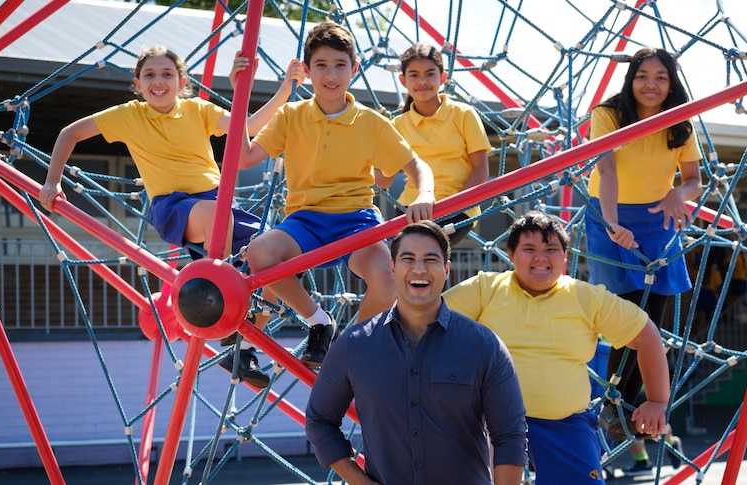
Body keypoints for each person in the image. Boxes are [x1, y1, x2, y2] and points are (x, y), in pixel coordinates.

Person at [39, 45, 304, 389]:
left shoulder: (198, 109)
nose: (158, 81)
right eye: (149, 75)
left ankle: (244, 348)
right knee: (215, 216)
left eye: (167, 74)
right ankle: (220, 283)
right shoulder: (129, 115)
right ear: (138, 83)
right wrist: (52, 180)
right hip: (174, 206)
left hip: (217, 202)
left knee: (274, 253)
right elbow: (68, 134)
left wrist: (282, 87)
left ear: (182, 82)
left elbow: (249, 125)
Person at [238, 22, 435, 369]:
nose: (331, 75)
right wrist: (242, 92)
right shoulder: (292, 115)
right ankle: (319, 322)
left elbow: (416, 166)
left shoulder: (370, 122)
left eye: (340, 65)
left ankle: (350, 349)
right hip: (305, 220)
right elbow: (243, 158)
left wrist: (426, 193)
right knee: (260, 252)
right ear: (307, 70)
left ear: (354, 69)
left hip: (355, 219)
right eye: (322, 65)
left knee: (388, 278)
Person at [443, 211, 670, 484]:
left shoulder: (586, 297)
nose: (540, 257)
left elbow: (646, 335)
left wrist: (657, 400)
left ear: (565, 257)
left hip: (563, 422)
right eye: (529, 249)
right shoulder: (485, 288)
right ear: (511, 254)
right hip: (491, 421)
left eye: (551, 249)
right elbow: (430, 319)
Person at [304, 220, 527, 484]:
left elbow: (509, 435)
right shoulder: (354, 346)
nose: (419, 269)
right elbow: (319, 420)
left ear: (446, 270)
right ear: (393, 268)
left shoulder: (484, 346)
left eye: (430, 260)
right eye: (408, 259)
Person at [583, 47, 702, 442]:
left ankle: (630, 407)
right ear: (630, 79)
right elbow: (606, 167)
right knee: (628, 313)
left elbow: (694, 180)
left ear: (672, 84)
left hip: (658, 218)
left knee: (656, 314)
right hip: (609, 214)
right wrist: (613, 223)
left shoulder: (679, 122)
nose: (651, 84)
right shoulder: (608, 115)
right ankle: (615, 404)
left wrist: (677, 194)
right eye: (642, 76)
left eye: (661, 77)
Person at [375, 43, 491, 247]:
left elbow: (480, 170)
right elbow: (384, 180)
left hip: (458, 206)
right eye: (414, 75)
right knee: (399, 261)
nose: (422, 81)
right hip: (410, 208)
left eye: (430, 74)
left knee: (426, 251)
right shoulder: (398, 125)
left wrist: (455, 205)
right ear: (403, 80)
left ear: (443, 77)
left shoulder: (462, 114)